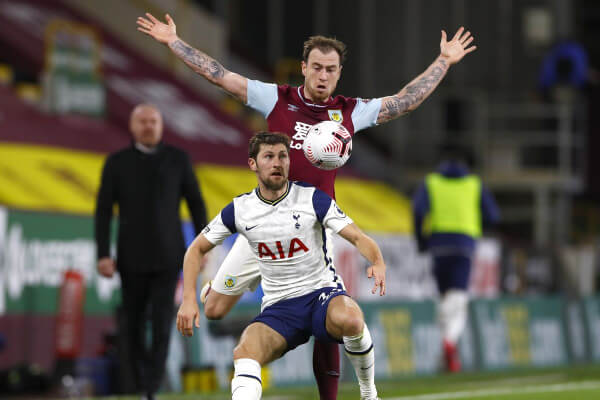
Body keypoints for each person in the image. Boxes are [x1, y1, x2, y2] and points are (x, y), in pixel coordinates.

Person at [137, 13, 476, 399]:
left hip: (313, 228)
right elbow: (220, 75)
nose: (322, 75)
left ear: (339, 73)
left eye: (331, 69)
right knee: (213, 308)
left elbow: (404, 102)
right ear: (304, 68)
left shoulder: (350, 111)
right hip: (262, 226)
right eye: (316, 67)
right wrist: (173, 42)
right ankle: (229, 286)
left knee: (328, 317)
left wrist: (443, 61)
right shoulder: (276, 98)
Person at [177, 132, 386, 400]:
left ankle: (369, 394)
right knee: (244, 352)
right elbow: (195, 249)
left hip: (321, 294)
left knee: (352, 319)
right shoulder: (240, 209)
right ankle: (215, 290)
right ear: (253, 164)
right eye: (268, 157)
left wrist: (377, 261)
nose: (277, 163)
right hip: (280, 305)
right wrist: (187, 301)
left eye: (282, 156)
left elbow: (357, 236)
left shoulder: (312, 199)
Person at [94, 104, 208, 399]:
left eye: (153, 121)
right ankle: (142, 378)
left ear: (161, 125)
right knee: (131, 325)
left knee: (161, 325)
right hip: (130, 259)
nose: (148, 126)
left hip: (169, 257)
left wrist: (203, 245)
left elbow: (196, 203)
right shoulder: (116, 163)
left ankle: (151, 387)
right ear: (132, 127)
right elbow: (104, 211)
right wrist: (103, 254)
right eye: (142, 122)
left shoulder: (178, 160)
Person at [412, 147, 499, 372]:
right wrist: (476, 224)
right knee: (458, 299)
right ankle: (449, 343)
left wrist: (422, 241)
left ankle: (446, 352)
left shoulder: (431, 182)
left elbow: (418, 211)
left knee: (444, 298)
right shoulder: (474, 184)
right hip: (464, 246)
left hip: (438, 245)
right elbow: (493, 215)